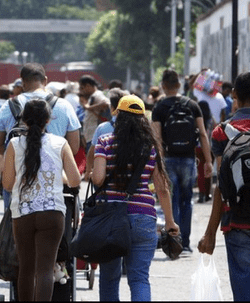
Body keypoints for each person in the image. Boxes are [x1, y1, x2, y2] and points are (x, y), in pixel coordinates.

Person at [93, 94, 179, 301]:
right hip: (143, 218)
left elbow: (97, 179)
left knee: (109, 277)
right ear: (143, 119)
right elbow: (162, 188)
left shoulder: (105, 142)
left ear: (118, 117)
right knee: (139, 278)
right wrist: (169, 221)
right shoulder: (150, 147)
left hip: (110, 219)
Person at [1, 99, 81, 301]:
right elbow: (74, 180)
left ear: (24, 121)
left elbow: (8, 184)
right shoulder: (60, 143)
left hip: (23, 214)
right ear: (48, 119)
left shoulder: (14, 144)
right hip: (52, 213)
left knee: (26, 269)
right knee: (45, 269)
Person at [0, 63, 81, 209]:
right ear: (45, 80)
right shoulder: (64, 106)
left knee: (14, 225)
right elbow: (74, 147)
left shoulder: (9, 105)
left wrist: (17, 153)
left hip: (18, 182)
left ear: (22, 82)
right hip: (54, 181)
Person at [198, 71, 250, 301]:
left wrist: (210, 234)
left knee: (242, 287)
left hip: (236, 220)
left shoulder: (223, 131)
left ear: (235, 94)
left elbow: (221, 186)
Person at [152, 69, 213, 253]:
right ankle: (185, 244)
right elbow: (202, 133)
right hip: (188, 159)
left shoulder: (159, 107)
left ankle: (174, 241)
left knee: (172, 199)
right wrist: (208, 161)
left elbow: (156, 137)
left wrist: (158, 163)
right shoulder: (192, 105)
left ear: (163, 86)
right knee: (187, 200)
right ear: (179, 85)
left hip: (168, 159)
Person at [85, 88, 130, 180]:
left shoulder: (103, 128)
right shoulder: (139, 127)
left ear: (113, 108)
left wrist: (88, 171)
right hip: (130, 177)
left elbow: (92, 152)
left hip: (106, 178)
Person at [79, 74, 110, 153]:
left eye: (83, 88)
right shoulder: (92, 96)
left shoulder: (97, 95)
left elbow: (106, 103)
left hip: (94, 135)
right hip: (90, 135)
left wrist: (89, 108)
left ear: (88, 86)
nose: (82, 90)